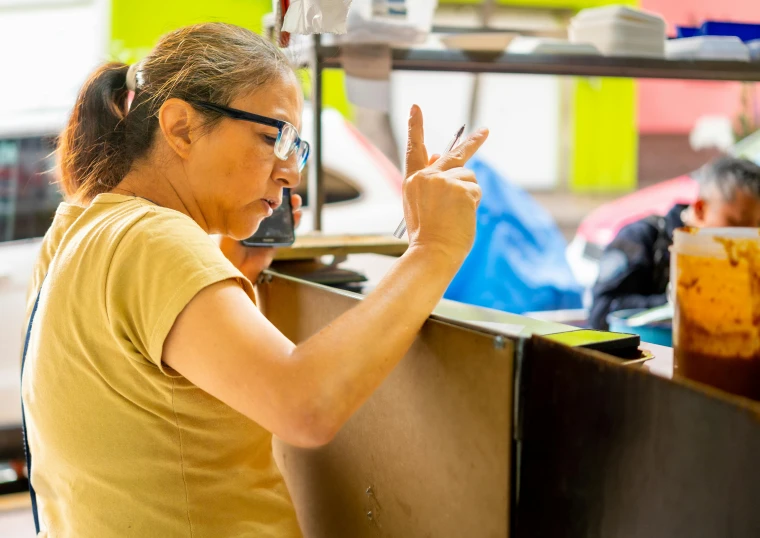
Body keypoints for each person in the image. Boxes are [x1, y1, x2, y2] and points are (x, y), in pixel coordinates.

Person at [22, 23, 489, 537]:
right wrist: (433, 250)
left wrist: (230, 271)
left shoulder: (76, 232)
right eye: (275, 136)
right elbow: (304, 406)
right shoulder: (151, 240)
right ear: (181, 128)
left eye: (298, 146)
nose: (291, 171)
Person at [589, 156, 760, 330]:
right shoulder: (641, 239)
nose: (750, 236)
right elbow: (601, 312)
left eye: (758, 226)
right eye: (737, 224)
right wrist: (679, 300)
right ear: (701, 210)